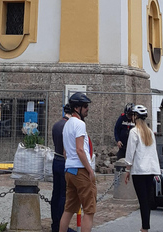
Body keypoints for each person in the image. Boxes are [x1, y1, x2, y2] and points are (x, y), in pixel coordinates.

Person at [59, 92, 95, 232]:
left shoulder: (66, 125)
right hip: (81, 170)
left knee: (68, 209)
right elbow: (80, 150)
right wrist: (90, 170)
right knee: (89, 210)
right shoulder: (79, 124)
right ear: (76, 108)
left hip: (69, 169)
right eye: (85, 106)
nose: (87, 108)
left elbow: (65, 152)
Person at [123, 105, 161, 232]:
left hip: (139, 170)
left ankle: (145, 227)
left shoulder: (134, 132)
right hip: (149, 169)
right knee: (146, 199)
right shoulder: (149, 132)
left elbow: (130, 153)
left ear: (135, 117)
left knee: (142, 199)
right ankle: (145, 226)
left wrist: (127, 170)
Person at [50, 103, 77, 232]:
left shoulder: (56, 125)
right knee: (63, 195)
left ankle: (55, 223)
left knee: (55, 194)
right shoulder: (68, 126)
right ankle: (61, 226)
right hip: (64, 161)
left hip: (56, 159)